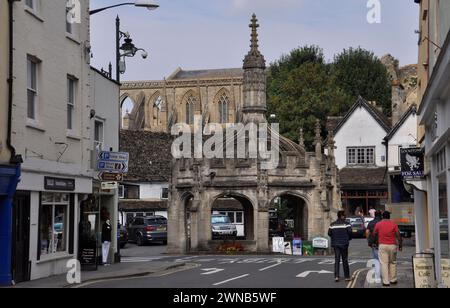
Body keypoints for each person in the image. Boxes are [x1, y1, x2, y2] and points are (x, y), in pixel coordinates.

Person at [373, 211, 403, 287]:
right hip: (392, 245)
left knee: (384, 263)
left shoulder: (378, 224)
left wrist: (375, 243)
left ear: (383, 216)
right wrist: (400, 245)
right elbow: (398, 235)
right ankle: (393, 280)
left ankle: (386, 282)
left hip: (382, 245)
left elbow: (374, 234)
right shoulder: (393, 224)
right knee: (393, 262)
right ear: (389, 216)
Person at [328, 211, 353, 282]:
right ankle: (347, 277)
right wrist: (349, 238)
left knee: (337, 260)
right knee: (345, 260)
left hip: (336, 244)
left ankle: (336, 276)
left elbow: (329, 233)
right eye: (344, 216)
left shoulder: (332, 224)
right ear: (341, 216)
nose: (345, 217)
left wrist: (334, 237)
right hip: (344, 244)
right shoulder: (346, 224)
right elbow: (350, 232)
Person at [366, 210, 382, 284]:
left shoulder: (371, 223)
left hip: (374, 244)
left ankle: (377, 277)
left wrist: (368, 240)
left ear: (375, 215)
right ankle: (385, 276)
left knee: (376, 260)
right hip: (383, 243)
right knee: (385, 261)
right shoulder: (383, 222)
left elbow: (367, 232)